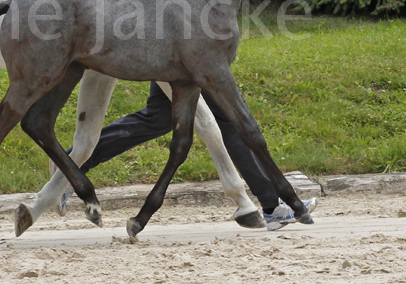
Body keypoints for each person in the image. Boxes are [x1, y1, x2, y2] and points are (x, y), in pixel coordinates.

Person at [60, 82, 316, 231]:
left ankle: (70, 164)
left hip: (187, 48)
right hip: (182, 49)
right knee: (224, 118)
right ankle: (68, 167)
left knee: (160, 117)